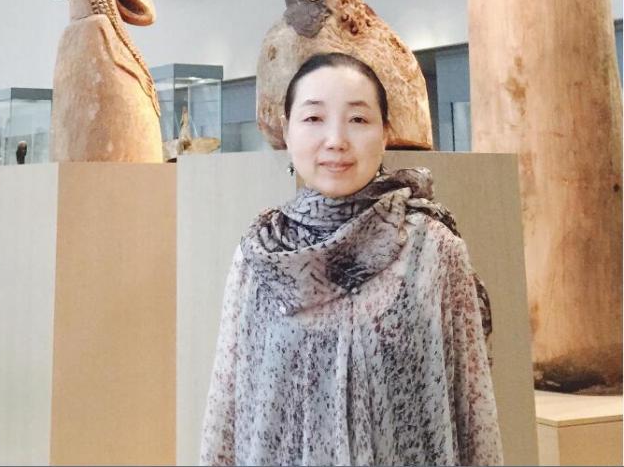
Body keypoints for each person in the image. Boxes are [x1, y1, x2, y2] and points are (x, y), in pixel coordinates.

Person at [200, 52, 503, 466]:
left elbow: (474, 410)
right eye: (313, 118)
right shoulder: (261, 255)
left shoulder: (433, 248)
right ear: (287, 131)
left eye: (358, 119)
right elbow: (225, 410)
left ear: (385, 132)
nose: (336, 140)